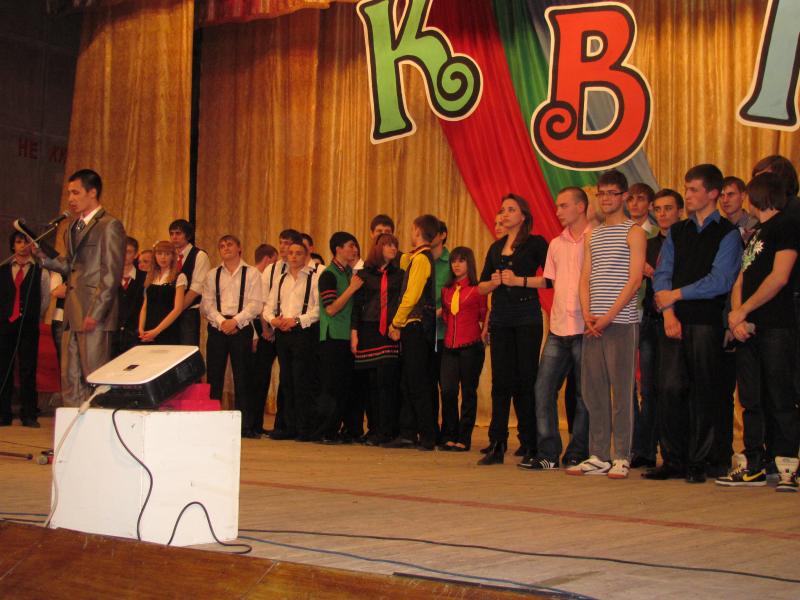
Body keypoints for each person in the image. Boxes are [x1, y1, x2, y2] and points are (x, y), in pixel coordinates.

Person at [648, 164, 742, 483]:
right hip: (674, 319)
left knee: (704, 390)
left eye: (693, 190)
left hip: (706, 320)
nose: (687, 195)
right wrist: (669, 312)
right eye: (686, 189)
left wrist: (676, 294)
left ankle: (699, 461)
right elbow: (662, 273)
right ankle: (673, 459)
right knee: (669, 388)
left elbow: (720, 280)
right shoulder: (678, 231)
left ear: (712, 193)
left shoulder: (727, 233)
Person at [716, 173, 799, 491]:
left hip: (775, 325)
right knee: (751, 398)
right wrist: (736, 317)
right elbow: (742, 276)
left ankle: (788, 465)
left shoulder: (786, 226)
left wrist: (744, 310)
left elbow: (779, 277)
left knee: (780, 397)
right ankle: (755, 462)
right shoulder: (756, 233)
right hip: (747, 328)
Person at [568, 170, 645, 479]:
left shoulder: (634, 232)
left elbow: (635, 279)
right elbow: (584, 277)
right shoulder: (593, 234)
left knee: (622, 392)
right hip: (593, 324)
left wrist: (609, 316)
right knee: (593, 391)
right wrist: (587, 314)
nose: (606, 199)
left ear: (624, 196)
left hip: (621, 322)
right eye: (601, 193)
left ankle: (622, 455)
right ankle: (598, 454)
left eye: (612, 193)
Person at [40, 169, 126, 406]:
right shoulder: (72, 227)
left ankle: (97, 426)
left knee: (95, 377)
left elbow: (111, 274)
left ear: (92, 192)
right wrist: (44, 258)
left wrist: (96, 312)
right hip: (72, 311)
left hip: (94, 314)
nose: (70, 199)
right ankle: (74, 426)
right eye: (69, 193)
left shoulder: (109, 225)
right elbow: (71, 266)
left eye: (76, 193)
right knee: (70, 377)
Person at [520, 187, 591, 471]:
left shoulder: (595, 239)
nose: (558, 211)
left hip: (586, 328)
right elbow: (551, 282)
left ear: (581, 207)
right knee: (543, 388)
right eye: (557, 206)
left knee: (584, 394)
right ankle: (548, 452)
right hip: (559, 328)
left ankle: (578, 451)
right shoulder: (556, 244)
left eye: (564, 206)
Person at [478, 195, 548, 465]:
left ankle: (530, 443)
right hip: (501, 317)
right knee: (501, 381)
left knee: (525, 380)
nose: (505, 214)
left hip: (527, 315)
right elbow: (481, 286)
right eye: (502, 210)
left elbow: (551, 279)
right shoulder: (495, 248)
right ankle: (497, 443)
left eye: (511, 209)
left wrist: (519, 281)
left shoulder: (536, 243)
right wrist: (494, 283)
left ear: (523, 215)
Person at [630, 189, 684, 469]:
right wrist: (643, 271)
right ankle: (645, 450)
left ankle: (676, 451)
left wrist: (658, 273)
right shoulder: (647, 243)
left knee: (673, 388)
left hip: (677, 320)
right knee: (649, 388)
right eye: (659, 209)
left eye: (668, 209)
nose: (662, 214)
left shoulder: (686, 241)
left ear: (680, 212)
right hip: (650, 320)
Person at [383, 214, 439, 450]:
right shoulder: (417, 258)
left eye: (412, 229)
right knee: (408, 381)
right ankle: (408, 432)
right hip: (414, 326)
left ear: (417, 231)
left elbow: (411, 295)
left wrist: (396, 322)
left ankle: (427, 435)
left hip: (415, 325)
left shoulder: (422, 260)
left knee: (417, 382)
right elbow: (405, 261)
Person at [201, 235, 264, 439]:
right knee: (214, 376)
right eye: (222, 246)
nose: (226, 248)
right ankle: (212, 423)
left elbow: (255, 304)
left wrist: (235, 321)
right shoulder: (212, 274)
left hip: (241, 327)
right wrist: (222, 322)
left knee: (243, 377)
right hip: (218, 327)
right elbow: (207, 304)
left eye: (229, 245)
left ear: (239, 248)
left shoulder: (252, 273)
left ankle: (245, 426)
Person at [717, 175, 759, 476]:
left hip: (750, 314)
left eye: (731, 194)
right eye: (722, 195)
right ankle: (724, 451)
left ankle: (762, 451)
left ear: (743, 195)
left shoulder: (756, 228)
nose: (725, 200)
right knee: (722, 389)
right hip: (724, 313)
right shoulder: (719, 228)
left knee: (753, 391)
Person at [263, 233, 321, 441]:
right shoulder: (280, 279)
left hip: (303, 333)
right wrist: (274, 320)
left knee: (302, 380)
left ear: (306, 256)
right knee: (286, 380)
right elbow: (268, 307)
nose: (294, 256)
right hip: (283, 334)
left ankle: (305, 427)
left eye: (298, 253)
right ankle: (289, 426)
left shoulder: (313, 278)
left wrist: (297, 320)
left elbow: (318, 309)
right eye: (291, 253)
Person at [351, 233, 404, 445]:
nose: (393, 248)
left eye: (395, 245)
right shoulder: (364, 274)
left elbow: (403, 302)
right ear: (379, 248)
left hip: (390, 331)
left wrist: (398, 326)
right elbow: (356, 306)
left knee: (387, 382)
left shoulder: (400, 275)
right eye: (389, 245)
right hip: (368, 330)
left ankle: (387, 430)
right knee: (371, 383)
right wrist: (354, 333)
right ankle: (373, 429)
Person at [316, 232, 362, 443]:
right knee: (332, 387)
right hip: (333, 336)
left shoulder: (349, 273)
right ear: (338, 249)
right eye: (350, 246)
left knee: (346, 386)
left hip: (347, 337)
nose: (354, 250)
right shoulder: (329, 275)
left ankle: (343, 429)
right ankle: (326, 430)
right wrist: (352, 289)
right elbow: (331, 308)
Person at [439, 246, 487, 451]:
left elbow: (485, 314)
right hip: (449, 346)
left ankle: (464, 437)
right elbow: (446, 316)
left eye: (461, 260)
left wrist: (485, 332)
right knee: (448, 391)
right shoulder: (446, 290)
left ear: (470, 263)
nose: (456, 265)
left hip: (471, 346)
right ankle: (449, 434)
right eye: (454, 261)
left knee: (468, 392)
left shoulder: (478, 289)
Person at [1, 232, 50, 427]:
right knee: (4, 368)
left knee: (28, 369)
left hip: (28, 326)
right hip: (5, 326)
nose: (22, 246)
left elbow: (44, 300)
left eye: (27, 242)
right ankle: (3, 413)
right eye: (19, 242)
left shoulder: (41, 272)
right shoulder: (3, 269)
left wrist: (31, 316)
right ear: (13, 246)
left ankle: (28, 414)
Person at [250, 243, 279, 435]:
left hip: (267, 326)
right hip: (257, 329)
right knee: (258, 378)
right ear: (268, 259)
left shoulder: (262, 276)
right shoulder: (254, 276)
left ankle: (256, 424)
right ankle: (253, 424)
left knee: (261, 377)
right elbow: (257, 306)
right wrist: (261, 331)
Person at [169, 219, 210, 346]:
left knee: (187, 350)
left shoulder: (199, 255)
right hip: (169, 312)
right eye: (172, 234)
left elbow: (197, 288)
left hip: (188, 313)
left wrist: (177, 309)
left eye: (178, 233)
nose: (174, 237)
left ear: (188, 236)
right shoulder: (169, 255)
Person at [139, 241, 185, 345]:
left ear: (173, 257)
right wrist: (141, 328)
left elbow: (177, 309)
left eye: (167, 254)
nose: (163, 257)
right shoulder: (150, 276)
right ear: (155, 256)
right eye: (159, 254)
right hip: (148, 329)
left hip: (168, 329)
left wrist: (157, 331)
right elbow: (145, 306)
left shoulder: (179, 277)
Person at [431, 220, 450, 443]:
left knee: (447, 386)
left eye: (433, 233)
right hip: (425, 332)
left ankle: (449, 430)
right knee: (428, 384)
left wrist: (440, 310)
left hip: (446, 332)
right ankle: (431, 430)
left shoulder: (452, 261)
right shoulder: (420, 260)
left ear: (443, 235)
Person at [113, 236, 145, 357]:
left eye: (128, 252)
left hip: (135, 333)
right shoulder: (109, 277)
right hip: (113, 333)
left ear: (136, 254)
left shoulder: (144, 277)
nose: (124, 255)